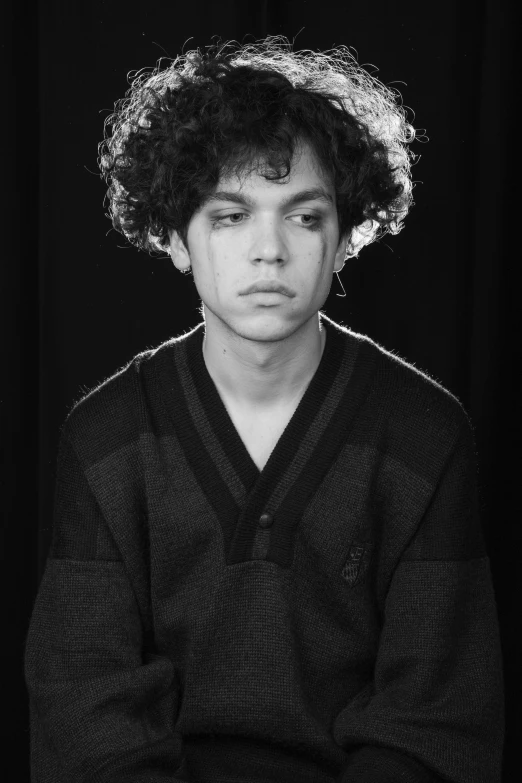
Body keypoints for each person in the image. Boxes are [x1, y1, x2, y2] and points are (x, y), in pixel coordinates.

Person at [24, 36, 505, 783]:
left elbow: (437, 723)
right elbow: (85, 711)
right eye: (230, 216)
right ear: (174, 238)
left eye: (304, 217)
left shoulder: (423, 436)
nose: (269, 251)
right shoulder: (106, 439)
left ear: (347, 236)